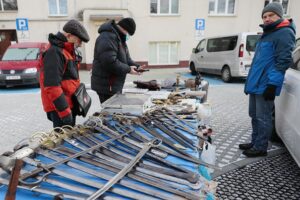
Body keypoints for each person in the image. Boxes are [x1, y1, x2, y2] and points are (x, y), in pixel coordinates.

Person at [240, 2, 296, 157]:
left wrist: (273, 84)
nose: (267, 18)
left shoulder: (284, 32)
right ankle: (255, 141)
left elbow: (283, 61)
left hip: (266, 84)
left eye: (271, 15)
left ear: (279, 15)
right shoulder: (268, 33)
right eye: (264, 16)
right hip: (256, 83)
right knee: (254, 115)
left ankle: (260, 147)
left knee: (263, 117)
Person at [40, 19, 90, 127]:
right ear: (69, 36)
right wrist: (64, 111)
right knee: (62, 141)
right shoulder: (55, 52)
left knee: (69, 138)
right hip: (60, 109)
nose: (80, 45)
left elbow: (69, 79)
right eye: (79, 41)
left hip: (69, 105)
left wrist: (77, 102)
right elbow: (52, 86)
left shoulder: (67, 51)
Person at [91, 17, 145, 103]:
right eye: (128, 33)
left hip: (113, 84)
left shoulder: (119, 38)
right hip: (106, 86)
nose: (128, 36)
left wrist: (137, 66)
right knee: (109, 111)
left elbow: (127, 59)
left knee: (114, 110)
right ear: (124, 29)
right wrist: (128, 69)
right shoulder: (107, 37)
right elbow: (110, 62)